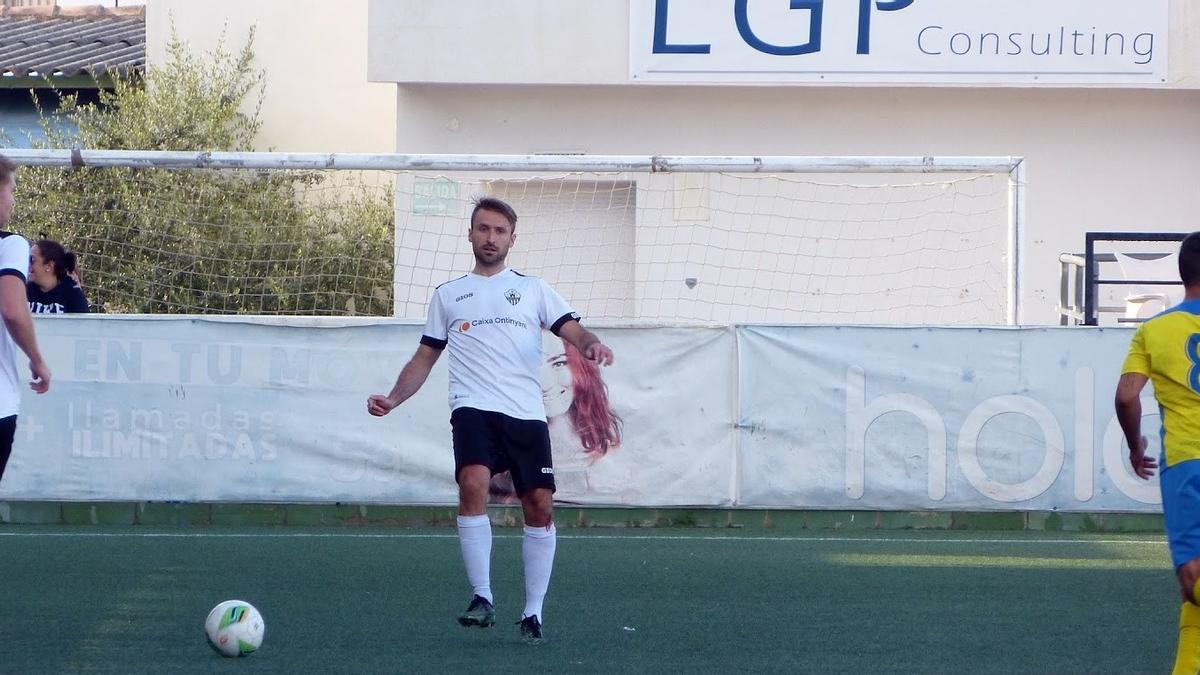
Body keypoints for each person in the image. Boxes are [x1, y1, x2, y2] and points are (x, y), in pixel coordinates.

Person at [367, 196, 613, 645]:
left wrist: (591, 344)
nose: (490, 237)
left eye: (499, 231)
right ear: (470, 234)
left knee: (538, 504)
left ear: (512, 239)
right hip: (472, 406)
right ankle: (482, 597)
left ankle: (533, 612)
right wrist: (394, 397)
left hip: (524, 413)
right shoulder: (448, 294)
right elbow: (425, 356)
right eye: (483, 229)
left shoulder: (535, 289)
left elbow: (572, 329)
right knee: (473, 481)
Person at [1116, 232, 1200, 674]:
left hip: (1188, 463)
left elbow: (1127, 396)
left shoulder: (1154, 329)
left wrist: (1136, 446)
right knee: (1192, 594)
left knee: (1193, 578)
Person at [0, 155, 52, 484]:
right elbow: (13, 311)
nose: (13, 199)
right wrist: (37, 360)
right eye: (12, 189)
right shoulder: (10, 244)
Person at [27, 238, 89, 314]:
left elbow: (83, 324)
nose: (28, 264)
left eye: (32, 260)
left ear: (49, 266)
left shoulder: (73, 294)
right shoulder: (24, 291)